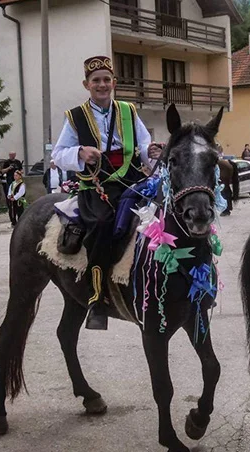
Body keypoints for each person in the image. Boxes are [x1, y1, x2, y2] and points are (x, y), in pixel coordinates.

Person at [52, 55, 162, 330]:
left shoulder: (128, 111)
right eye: (95, 81)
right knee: (101, 225)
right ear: (86, 85)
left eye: (106, 80)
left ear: (114, 82)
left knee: (163, 214)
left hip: (132, 181)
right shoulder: (76, 117)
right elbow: (58, 155)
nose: (102, 85)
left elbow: (144, 145)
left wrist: (152, 153)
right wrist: (79, 152)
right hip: (97, 186)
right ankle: (97, 299)